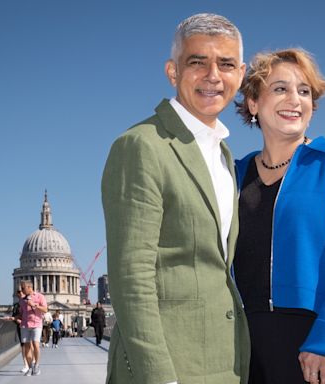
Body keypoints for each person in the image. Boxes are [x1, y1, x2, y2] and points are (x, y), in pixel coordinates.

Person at [101, 13, 249, 384]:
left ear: (241, 75)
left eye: (226, 64)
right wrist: (158, 377)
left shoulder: (223, 155)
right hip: (169, 368)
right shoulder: (140, 146)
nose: (213, 75)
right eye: (197, 62)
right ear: (172, 71)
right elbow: (131, 275)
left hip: (223, 363)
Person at [233, 48, 325, 384]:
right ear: (253, 103)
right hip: (246, 350)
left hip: (316, 350)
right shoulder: (233, 175)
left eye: (304, 91)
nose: (295, 99)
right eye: (280, 88)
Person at [19, 279, 48, 376]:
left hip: (36, 324)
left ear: (29, 287)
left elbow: (45, 309)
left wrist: (34, 305)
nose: (21, 290)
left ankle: (37, 364)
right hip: (25, 325)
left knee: (36, 344)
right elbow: (21, 313)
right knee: (27, 347)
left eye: (23, 288)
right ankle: (31, 366)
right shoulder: (22, 300)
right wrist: (12, 318)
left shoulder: (40, 296)